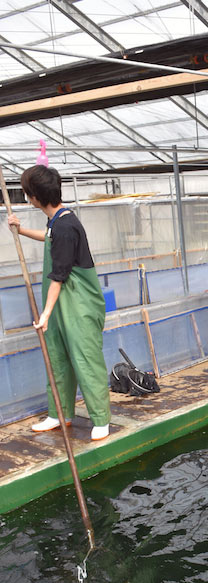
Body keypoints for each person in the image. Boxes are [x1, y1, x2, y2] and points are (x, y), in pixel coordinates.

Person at [7, 165, 111, 440]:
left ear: (36, 196)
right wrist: (21, 230)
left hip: (79, 305)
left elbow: (59, 275)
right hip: (61, 306)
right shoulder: (57, 221)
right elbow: (50, 239)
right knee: (58, 359)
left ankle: (101, 418)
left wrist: (45, 313)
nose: (28, 198)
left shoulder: (66, 225)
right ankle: (59, 413)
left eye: (28, 193)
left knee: (85, 358)